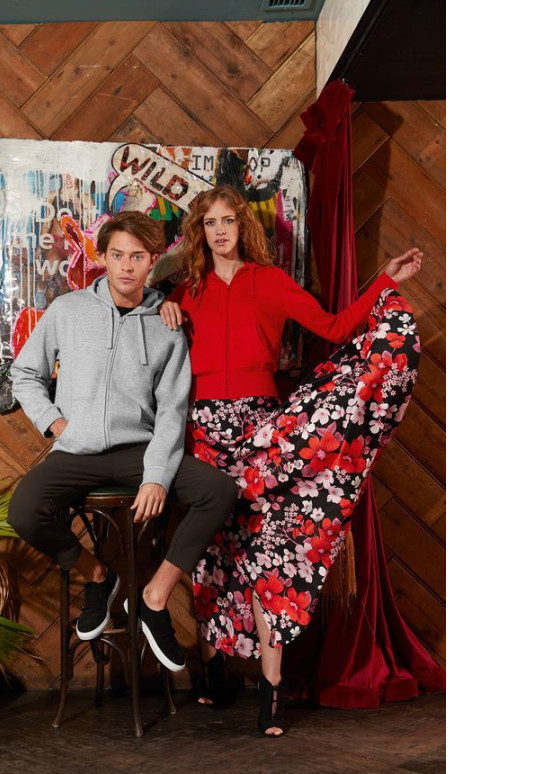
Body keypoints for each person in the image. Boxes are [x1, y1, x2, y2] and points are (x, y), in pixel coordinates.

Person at [159, 184, 423, 736]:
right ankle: (212, 666)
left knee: (266, 556)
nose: (220, 230)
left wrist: (384, 281)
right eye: (210, 222)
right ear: (199, 232)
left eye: (228, 220)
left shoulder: (271, 281)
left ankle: (271, 687)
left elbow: (336, 328)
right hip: (201, 432)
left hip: (261, 431)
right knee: (212, 552)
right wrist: (162, 304)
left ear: (242, 226)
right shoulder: (185, 291)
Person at [8, 210, 238, 674]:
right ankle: (98, 574)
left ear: (152, 260)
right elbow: (25, 373)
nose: (127, 266)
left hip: (139, 453)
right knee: (23, 511)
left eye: (137, 257)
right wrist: (56, 424)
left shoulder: (166, 324)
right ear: (104, 258)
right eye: (117, 255)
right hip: (77, 450)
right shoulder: (68, 311)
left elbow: (172, 409)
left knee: (219, 491)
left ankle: (154, 597)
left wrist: (157, 476)